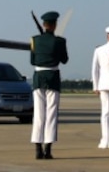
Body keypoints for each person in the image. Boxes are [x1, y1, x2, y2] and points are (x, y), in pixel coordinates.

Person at [30, 11, 69, 160]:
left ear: (44, 25)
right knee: (51, 114)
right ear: (55, 25)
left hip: (39, 77)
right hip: (52, 77)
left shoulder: (34, 40)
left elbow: (33, 61)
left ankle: (38, 149)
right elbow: (64, 60)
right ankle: (48, 149)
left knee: (39, 114)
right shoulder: (60, 41)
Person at [91, 25, 109, 150]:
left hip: (103, 83)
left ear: (107, 35)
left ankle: (104, 140)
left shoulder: (99, 50)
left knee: (105, 113)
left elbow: (95, 69)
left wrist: (95, 86)